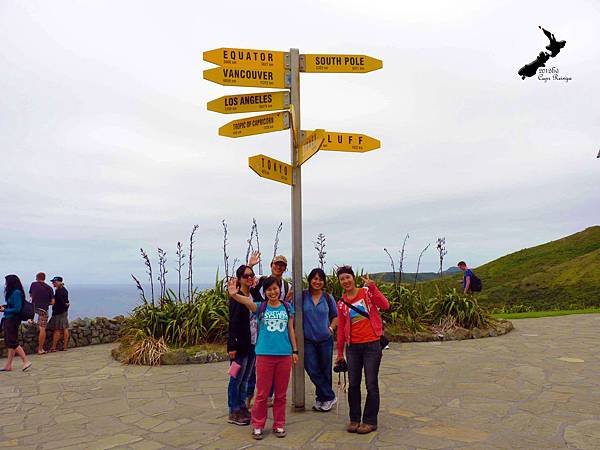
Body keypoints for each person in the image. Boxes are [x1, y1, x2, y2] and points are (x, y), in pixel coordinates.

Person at [228, 276, 298, 441]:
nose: (273, 292)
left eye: (275, 288)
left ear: (279, 290)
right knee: (262, 394)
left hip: (284, 355)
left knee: (281, 394)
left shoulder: (288, 308)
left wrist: (295, 350)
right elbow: (246, 301)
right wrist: (234, 295)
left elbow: (291, 330)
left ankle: (279, 424)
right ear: (265, 292)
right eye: (269, 289)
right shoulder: (260, 307)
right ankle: (258, 425)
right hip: (264, 355)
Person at [335, 266, 389, 435]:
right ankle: (354, 419)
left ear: (353, 277)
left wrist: (373, 287)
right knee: (353, 385)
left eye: (348, 277)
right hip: (353, 348)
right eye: (342, 279)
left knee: (371, 384)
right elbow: (342, 328)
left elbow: (385, 305)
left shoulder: (366, 293)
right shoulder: (342, 303)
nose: (346, 281)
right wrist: (339, 353)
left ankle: (370, 421)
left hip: (372, 344)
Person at [246, 251, 292, 407]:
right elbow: (245, 281)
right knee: (254, 365)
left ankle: (269, 396)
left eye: (282, 265)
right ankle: (249, 395)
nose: (279, 267)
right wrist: (251, 264)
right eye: (276, 264)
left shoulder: (287, 286)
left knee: (271, 363)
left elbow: (285, 308)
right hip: (255, 327)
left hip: (275, 330)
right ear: (271, 265)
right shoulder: (260, 280)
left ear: (285, 268)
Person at [303, 268, 338, 412]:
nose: (317, 282)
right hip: (308, 339)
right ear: (310, 279)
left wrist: (331, 328)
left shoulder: (328, 297)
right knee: (312, 368)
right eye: (315, 278)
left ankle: (322, 398)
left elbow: (335, 316)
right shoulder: (302, 296)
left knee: (325, 370)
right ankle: (329, 395)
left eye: (320, 279)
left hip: (325, 339)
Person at [227, 265, 257, 426]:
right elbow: (232, 322)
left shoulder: (253, 294)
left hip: (253, 344)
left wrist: (251, 264)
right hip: (239, 347)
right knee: (235, 378)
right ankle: (233, 410)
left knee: (246, 378)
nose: (249, 278)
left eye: (251, 275)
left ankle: (242, 406)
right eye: (245, 276)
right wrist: (231, 346)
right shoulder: (235, 297)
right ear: (239, 279)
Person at [1, 275, 32, 372]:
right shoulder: (13, 292)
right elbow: (12, 305)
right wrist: (4, 307)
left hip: (12, 320)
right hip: (9, 318)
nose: (5, 284)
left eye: (6, 282)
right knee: (10, 343)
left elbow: (17, 308)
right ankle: (8, 365)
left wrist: (5, 309)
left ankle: (25, 361)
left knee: (12, 341)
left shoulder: (16, 292)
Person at [29, 272, 54, 354]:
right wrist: (46, 303)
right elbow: (52, 302)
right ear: (44, 278)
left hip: (34, 307)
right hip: (43, 309)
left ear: (37, 278)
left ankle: (30, 320)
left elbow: (31, 296)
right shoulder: (49, 288)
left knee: (32, 316)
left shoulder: (33, 284)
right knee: (42, 328)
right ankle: (40, 349)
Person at [47, 276, 69, 352]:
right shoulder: (64, 290)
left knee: (57, 329)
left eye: (54, 282)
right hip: (64, 312)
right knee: (65, 328)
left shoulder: (59, 291)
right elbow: (66, 302)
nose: (53, 283)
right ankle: (65, 346)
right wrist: (66, 305)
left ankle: (53, 347)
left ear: (59, 282)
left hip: (59, 312)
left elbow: (60, 302)